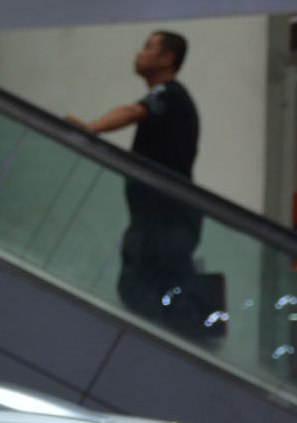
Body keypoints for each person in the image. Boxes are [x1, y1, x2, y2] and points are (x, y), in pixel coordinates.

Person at [66, 31, 204, 335]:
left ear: (167, 59)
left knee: (142, 285)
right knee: (157, 285)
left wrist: (89, 129)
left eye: (148, 47)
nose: (139, 53)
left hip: (166, 215)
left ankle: (164, 344)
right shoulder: (172, 97)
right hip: (164, 215)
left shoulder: (168, 94)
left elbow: (132, 112)